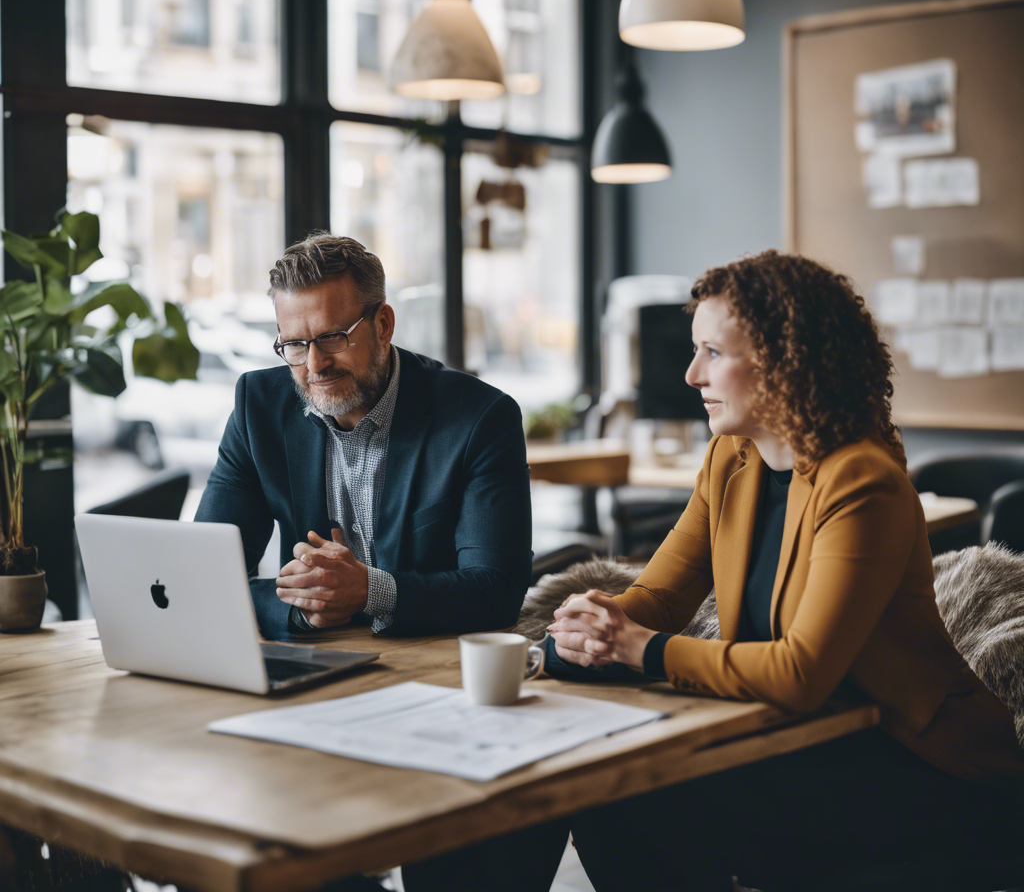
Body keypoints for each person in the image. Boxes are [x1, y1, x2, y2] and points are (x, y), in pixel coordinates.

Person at [407, 250, 1024, 892]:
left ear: (786, 363)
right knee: (595, 781)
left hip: (913, 766)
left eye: (713, 352)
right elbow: (662, 593)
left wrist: (639, 648)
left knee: (631, 796)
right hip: (791, 735)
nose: (691, 373)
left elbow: (800, 674)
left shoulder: (863, 483)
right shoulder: (732, 457)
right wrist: (601, 624)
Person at [195, 232, 532, 641]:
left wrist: (372, 591)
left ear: (383, 325)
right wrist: (303, 611)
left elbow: (498, 590)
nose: (315, 364)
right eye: (295, 344)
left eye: (332, 338)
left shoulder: (480, 418)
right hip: (318, 658)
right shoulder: (258, 408)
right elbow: (205, 577)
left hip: (433, 658)